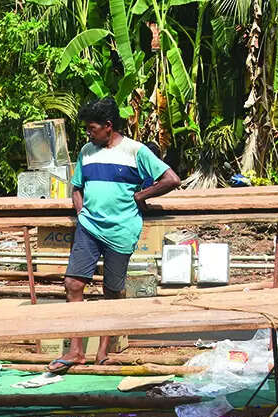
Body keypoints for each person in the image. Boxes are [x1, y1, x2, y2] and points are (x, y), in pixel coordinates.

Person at [48, 98, 181, 373]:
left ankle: (103, 353)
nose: (89, 133)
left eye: (92, 128)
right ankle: (75, 351)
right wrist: (81, 213)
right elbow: (76, 187)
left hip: (121, 230)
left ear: (108, 126)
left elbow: (171, 179)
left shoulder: (136, 151)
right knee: (73, 283)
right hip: (89, 228)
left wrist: (141, 196)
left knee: (112, 289)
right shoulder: (86, 151)